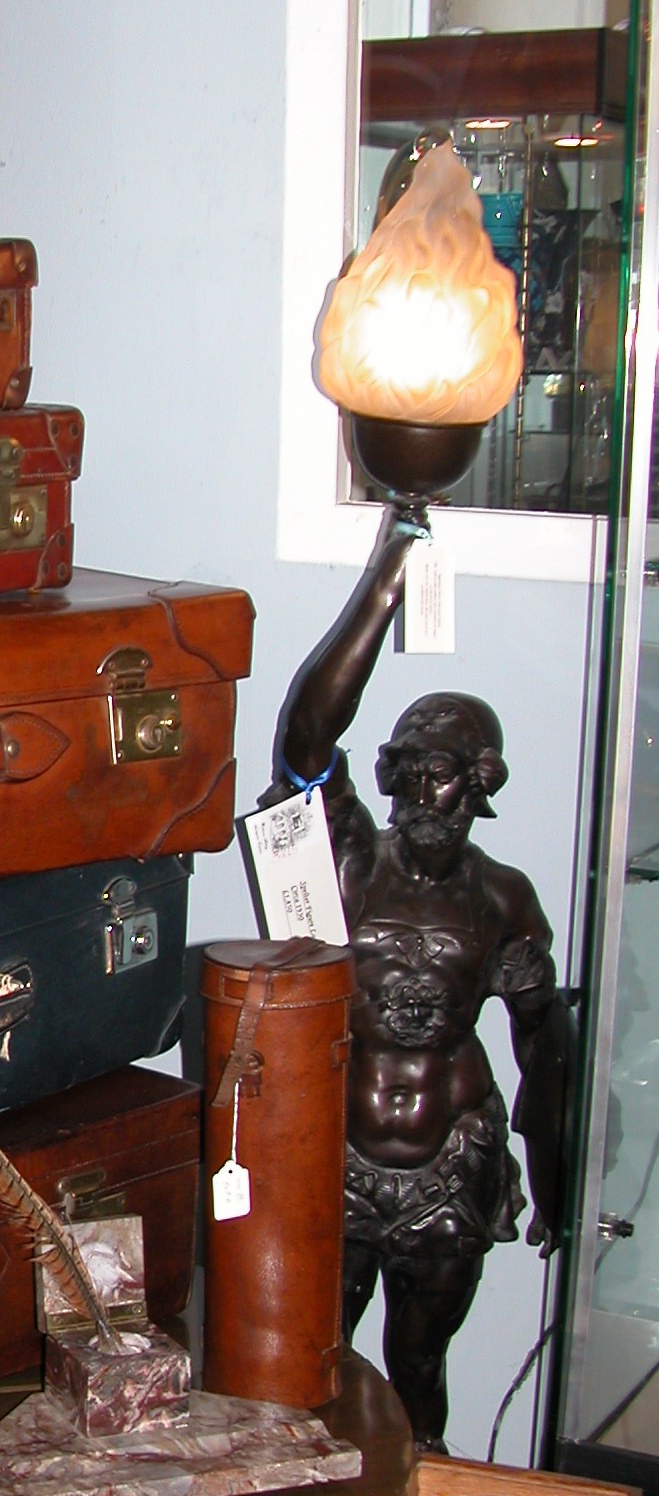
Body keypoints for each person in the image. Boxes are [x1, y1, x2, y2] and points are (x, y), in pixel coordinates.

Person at [269, 508, 570, 1448]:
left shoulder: (504, 899)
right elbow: (306, 734)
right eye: (400, 770)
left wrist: (555, 1181)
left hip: (449, 1163)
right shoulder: (354, 864)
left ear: (480, 780)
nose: (413, 792)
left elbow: (544, 1050)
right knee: (311, 1364)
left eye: (436, 773)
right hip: (341, 1155)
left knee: (419, 1373)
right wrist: (387, 575)